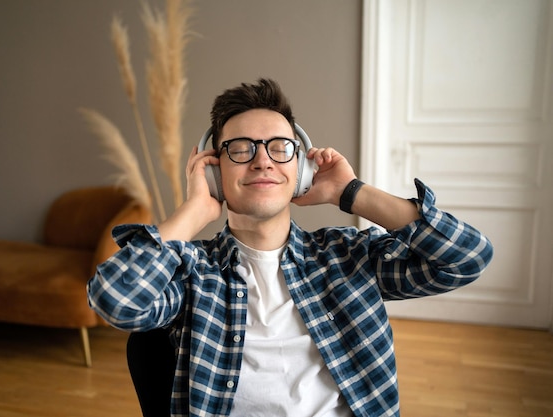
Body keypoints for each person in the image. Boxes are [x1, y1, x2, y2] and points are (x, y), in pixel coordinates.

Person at [87, 78, 493, 417]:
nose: (263, 161)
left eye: (280, 147)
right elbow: (116, 300)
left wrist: (352, 193)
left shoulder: (346, 257)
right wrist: (194, 210)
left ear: (301, 170)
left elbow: (467, 257)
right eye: (241, 148)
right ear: (214, 171)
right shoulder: (190, 274)